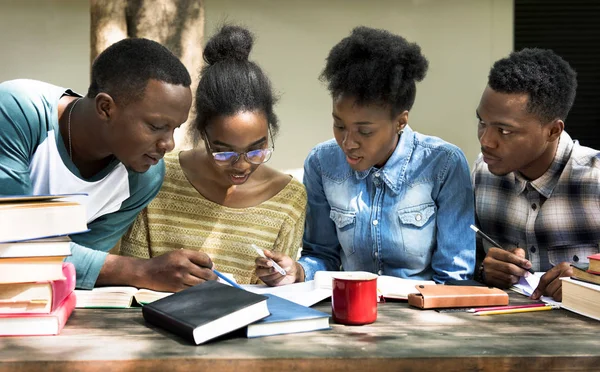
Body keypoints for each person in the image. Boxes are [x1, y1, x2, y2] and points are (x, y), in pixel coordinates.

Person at [256, 26, 475, 286]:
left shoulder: (443, 164)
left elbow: (454, 278)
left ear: (401, 121)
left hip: (424, 314)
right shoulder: (321, 163)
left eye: (365, 131)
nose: (348, 143)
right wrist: (297, 271)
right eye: (339, 125)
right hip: (350, 312)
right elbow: (322, 255)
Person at [0, 38, 205, 291]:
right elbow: (10, 235)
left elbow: (76, 268)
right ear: (106, 107)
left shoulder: (144, 176)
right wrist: (141, 270)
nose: (169, 144)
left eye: (174, 129)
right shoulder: (17, 111)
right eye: (155, 127)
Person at [119, 25, 307, 286]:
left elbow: (276, 294)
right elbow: (132, 284)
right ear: (202, 133)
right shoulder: (156, 176)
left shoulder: (289, 198)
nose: (241, 165)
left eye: (256, 149)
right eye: (224, 151)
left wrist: (282, 275)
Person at [473, 48, 600, 301]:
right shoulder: (482, 173)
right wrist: (483, 270)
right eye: (482, 122)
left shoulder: (595, 179)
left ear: (553, 131)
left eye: (504, 131)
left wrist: (586, 279)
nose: (486, 141)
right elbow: (468, 260)